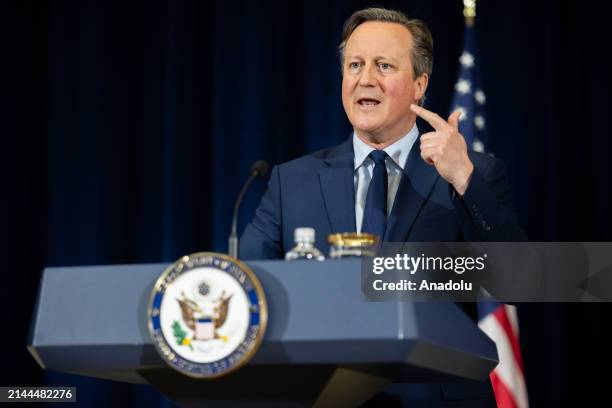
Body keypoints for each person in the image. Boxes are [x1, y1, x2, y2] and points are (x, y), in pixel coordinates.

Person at [240, 7, 526, 407]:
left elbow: (517, 281)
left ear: (419, 85)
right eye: (354, 64)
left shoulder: (471, 173)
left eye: (384, 65)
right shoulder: (293, 181)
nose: (365, 79)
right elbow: (247, 288)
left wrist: (463, 178)